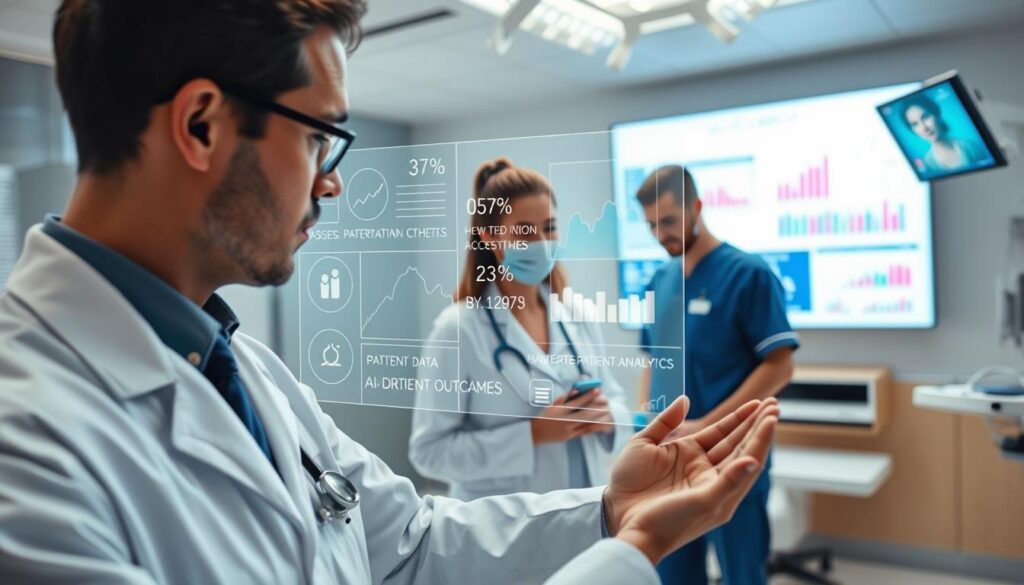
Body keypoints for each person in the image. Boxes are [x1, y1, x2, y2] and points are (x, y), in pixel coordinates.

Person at [0, 2, 780, 584]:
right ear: (202, 125)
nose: (332, 181)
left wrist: (609, 511)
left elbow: (406, 541)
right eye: (318, 138)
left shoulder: (247, 370)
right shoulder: (29, 448)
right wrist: (627, 555)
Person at [409, 158, 632, 500]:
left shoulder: (578, 313)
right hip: (501, 528)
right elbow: (429, 452)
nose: (542, 242)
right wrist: (531, 435)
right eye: (525, 231)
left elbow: (614, 397)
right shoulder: (458, 330)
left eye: (550, 227)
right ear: (489, 237)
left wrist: (608, 417)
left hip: (584, 512)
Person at [634, 165, 798, 585]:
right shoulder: (658, 281)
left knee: (742, 574)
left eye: (668, 221)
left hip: (732, 456)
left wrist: (707, 425)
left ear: (697, 207)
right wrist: (645, 416)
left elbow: (780, 364)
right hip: (670, 460)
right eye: (651, 225)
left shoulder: (748, 275)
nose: (660, 234)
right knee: (671, 573)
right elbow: (652, 357)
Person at [901, 94, 986, 173]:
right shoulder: (927, 163)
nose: (924, 128)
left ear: (936, 115)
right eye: (915, 124)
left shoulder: (969, 146)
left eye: (925, 117)